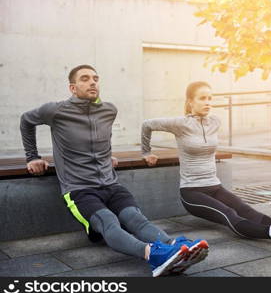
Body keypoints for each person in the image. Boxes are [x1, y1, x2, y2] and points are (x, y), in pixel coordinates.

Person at [20, 65, 208, 277]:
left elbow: (102, 137)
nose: (92, 82)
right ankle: (153, 255)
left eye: (95, 78)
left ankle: (175, 247)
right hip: (79, 189)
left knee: (136, 219)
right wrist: (32, 156)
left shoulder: (109, 110)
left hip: (110, 184)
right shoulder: (55, 111)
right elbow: (26, 121)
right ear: (72, 87)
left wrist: (105, 154)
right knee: (109, 221)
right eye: (85, 79)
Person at [141, 81, 271, 248]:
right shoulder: (180, 124)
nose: (208, 102)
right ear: (190, 101)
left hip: (214, 186)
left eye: (210, 98)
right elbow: (147, 124)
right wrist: (146, 152)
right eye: (202, 98)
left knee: (245, 209)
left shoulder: (214, 122)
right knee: (229, 214)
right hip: (192, 191)